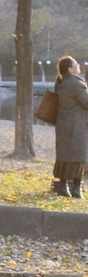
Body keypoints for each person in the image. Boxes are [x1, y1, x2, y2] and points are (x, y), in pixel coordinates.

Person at [52, 56, 88, 198]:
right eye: (76, 64)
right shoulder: (76, 84)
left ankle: (63, 186)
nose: (78, 65)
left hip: (63, 124)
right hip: (77, 126)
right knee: (79, 156)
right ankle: (76, 189)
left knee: (64, 156)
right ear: (70, 69)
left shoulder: (60, 83)